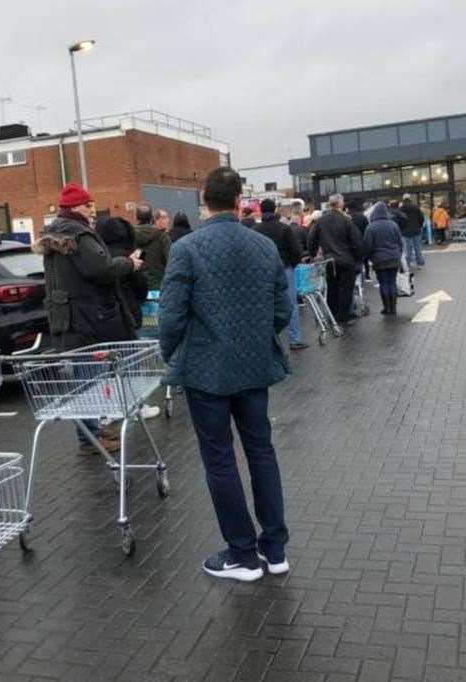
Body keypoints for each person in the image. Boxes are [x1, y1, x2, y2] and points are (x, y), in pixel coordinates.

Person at [159, 167, 291, 582]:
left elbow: (171, 315)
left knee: (219, 460)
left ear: (205, 202)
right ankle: (275, 549)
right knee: (261, 452)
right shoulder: (264, 246)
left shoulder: (187, 249)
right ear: (239, 201)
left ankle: (242, 554)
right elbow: (282, 309)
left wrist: (173, 357)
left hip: (206, 371)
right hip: (254, 368)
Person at [34, 183, 144, 452]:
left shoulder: (55, 233)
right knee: (88, 378)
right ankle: (92, 437)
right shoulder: (80, 235)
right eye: (88, 206)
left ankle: (92, 433)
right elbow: (101, 269)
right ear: (75, 208)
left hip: (67, 314)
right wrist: (130, 264)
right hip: (88, 316)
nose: (92, 211)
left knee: (83, 376)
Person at [96, 216, 160, 420]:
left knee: (108, 365)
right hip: (128, 314)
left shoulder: (99, 258)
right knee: (130, 361)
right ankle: (135, 405)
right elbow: (141, 289)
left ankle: (110, 407)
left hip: (103, 316)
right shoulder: (128, 259)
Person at [255, 198, 307, 351]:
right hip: (285, 268)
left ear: (261, 210)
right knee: (291, 304)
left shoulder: (255, 230)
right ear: (275, 209)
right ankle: (295, 339)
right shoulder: (284, 228)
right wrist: (293, 263)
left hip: (263, 272)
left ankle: (270, 340)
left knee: (266, 305)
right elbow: (295, 250)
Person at [308, 193, 363, 327]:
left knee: (332, 288)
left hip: (329, 261)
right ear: (341, 204)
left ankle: (332, 315)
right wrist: (357, 257)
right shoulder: (346, 220)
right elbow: (356, 241)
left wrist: (313, 253)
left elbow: (311, 238)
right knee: (346, 290)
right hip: (346, 259)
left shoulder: (321, 220)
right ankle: (343, 317)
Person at [364, 202, 404, 316]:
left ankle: (387, 308)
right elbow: (400, 242)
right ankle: (394, 307)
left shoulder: (371, 227)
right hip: (394, 258)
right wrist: (398, 254)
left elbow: (368, 246)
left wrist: (369, 258)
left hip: (379, 260)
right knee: (392, 282)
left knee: (383, 283)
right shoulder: (393, 225)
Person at [134, 204, 172, 290]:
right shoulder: (161, 236)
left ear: (136, 218)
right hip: (158, 284)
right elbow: (170, 259)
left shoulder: (130, 236)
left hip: (137, 286)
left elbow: (139, 257)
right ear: (152, 218)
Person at [399, 194, 426, 268]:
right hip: (416, 230)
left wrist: (401, 228)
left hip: (405, 232)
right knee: (417, 248)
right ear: (409, 198)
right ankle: (419, 263)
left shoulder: (401, 209)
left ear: (403, 199)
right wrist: (419, 226)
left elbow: (399, 220)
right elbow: (421, 218)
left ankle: (408, 263)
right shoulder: (416, 207)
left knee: (407, 249)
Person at [347, 198, 371, 281]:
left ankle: (356, 278)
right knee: (364, 260)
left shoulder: (345, 217)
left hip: (349, 242)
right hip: (361, 240)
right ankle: (367, 275)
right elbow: (367, 229)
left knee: (353, 261)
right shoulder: (362, 217)